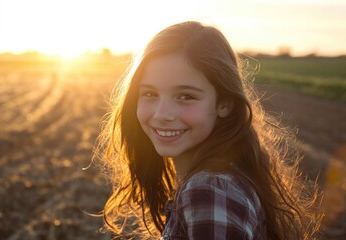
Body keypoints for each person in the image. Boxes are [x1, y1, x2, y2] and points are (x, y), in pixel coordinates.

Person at [95, 21, 322, 239]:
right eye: (150, 94)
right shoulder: (220, 181)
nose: (161, 114)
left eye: (185, 96)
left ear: (224, 103)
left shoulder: (209, 191)